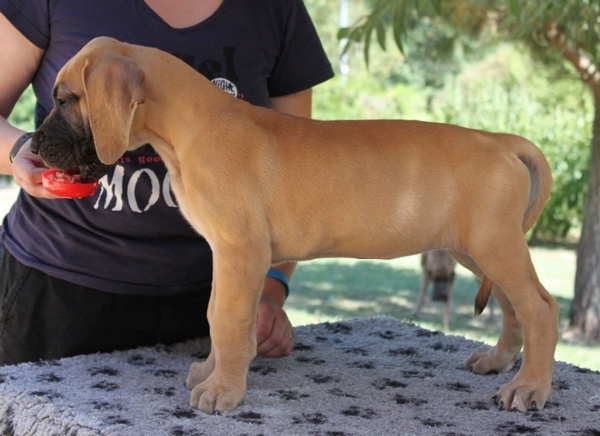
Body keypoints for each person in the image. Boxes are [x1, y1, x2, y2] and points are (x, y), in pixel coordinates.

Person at [0, 0, 334, 365]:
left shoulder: (274, 8)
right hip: (60, 290)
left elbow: (292, 174)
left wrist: (268, 290)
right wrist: (18, 149)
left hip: (221, 295)